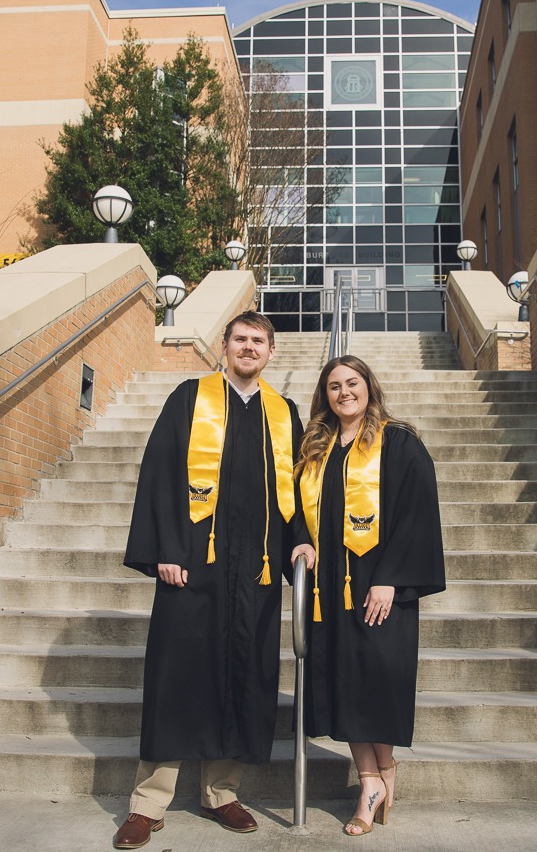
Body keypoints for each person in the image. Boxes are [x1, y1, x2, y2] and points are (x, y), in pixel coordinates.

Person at [115, 311, 315, 850]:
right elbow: (159, 472)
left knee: (242, 672)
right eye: (240, 339)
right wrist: (167, 549)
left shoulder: (284, 413)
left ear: (271, 353)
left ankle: (222, 793)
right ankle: (148, 803)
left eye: (259, 341)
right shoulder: (189, 397)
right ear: (223, 346)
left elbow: (298, 486)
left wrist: (299, 537)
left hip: (257, 567)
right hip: (193, 564)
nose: (249, 348)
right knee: (176, 676)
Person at [294, 355, 445, 837]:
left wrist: (390, 577)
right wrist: (299, 538)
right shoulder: (315, 450)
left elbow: (416, 512)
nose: (344, 393)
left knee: (375, 679)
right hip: (328, 586)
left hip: (379, 585)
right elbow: (296, 508)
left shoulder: (398, 442)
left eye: (352, 383)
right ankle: (371, 781)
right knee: (345, 680)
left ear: (369, 387)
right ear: (326, 395)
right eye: (334, 386)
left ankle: (384, 773)